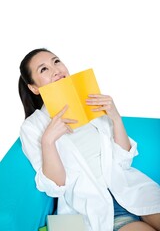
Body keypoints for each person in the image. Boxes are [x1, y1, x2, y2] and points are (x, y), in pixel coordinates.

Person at [18, 48, 160, 231]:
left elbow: (124, 160)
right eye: (43, 69)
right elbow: (56, 188)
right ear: (34, 88)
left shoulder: (90, 101)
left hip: (132, 190)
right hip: (94, 209)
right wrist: (48, 141)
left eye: (56, 61)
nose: (55, 70)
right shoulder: (33, 126)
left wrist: (116, 118)